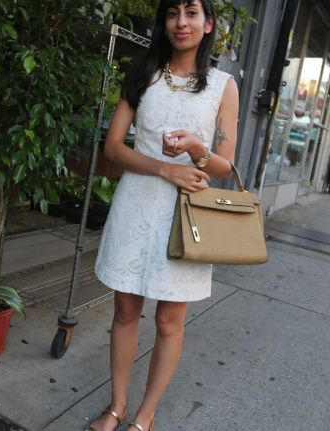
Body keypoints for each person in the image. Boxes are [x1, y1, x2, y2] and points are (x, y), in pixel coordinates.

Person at [88, 1, 239, 430]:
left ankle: (145, 416)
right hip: (136, 201)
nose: (181, 22)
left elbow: (226, 166)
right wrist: (163, 168)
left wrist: (195, 148)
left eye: (192, 12)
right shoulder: (144, 74)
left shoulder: (223, 85)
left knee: (169, 321)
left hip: (185, 216)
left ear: (208, 23)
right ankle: (117, 407)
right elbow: (114, 146)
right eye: (173, 12)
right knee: (124, 310)